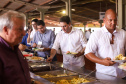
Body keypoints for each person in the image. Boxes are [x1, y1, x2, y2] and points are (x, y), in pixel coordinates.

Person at [85, 9, 126, 78]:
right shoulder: (96, 34)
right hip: (104, 74)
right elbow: (88, 53)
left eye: (115, 20)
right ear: (104, 20)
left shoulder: (123, 33)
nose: (113, 23)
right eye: (110, 20)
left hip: (122, 75)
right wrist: (102, 61)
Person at [0, 10, 31, 84]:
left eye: (24, 29)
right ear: (6, 30)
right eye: (20, 29)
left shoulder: (15, 47)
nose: (24, 33)